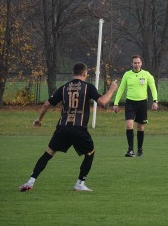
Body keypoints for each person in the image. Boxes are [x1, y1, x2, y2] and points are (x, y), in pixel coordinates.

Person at [19, 63, 118, 192]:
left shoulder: (64, 87)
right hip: (79, 129)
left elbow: (46, 104)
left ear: (73, 73)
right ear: (85, 73)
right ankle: (80, 183)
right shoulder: (88, 87)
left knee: (48, 154)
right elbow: (103, 103)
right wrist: (111, 89)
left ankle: (30, 181)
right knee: (90, 153)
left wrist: (39, 119)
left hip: (63, 127)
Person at [113, 55, 159, 157]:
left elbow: (153, 88)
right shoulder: (127, 75)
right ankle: (130, 150)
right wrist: (116, 103)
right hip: (130, 103)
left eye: (138, 62)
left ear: (141, 63)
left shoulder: (147, 75)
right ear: (132, 64)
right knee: (129, 125)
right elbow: (121, 89)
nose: (136, 64)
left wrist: (155, 101)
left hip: (142, 103)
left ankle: (140, 150)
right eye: (135, 63)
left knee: (140, 127)